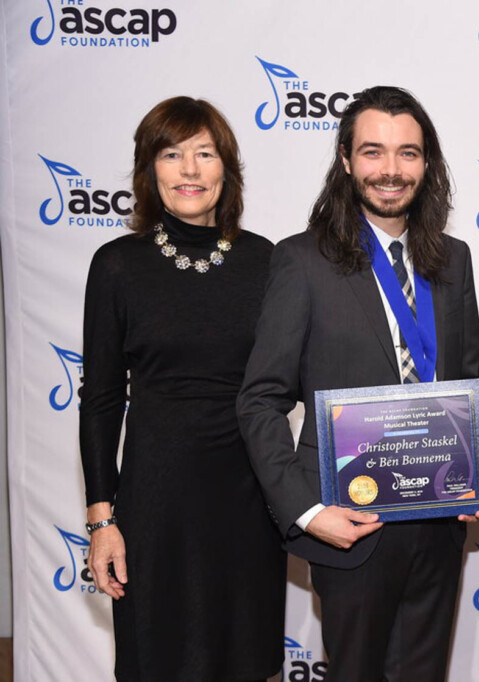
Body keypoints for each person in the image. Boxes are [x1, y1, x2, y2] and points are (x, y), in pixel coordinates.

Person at [236, 85, 479, 682]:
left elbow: (472, 380)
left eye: (408, 153)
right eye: (374, 152)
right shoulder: (302, 261)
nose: (390, 170)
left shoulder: (452, 259)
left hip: (438, 522)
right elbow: (259, 401)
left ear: (426, 164)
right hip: (348, 524)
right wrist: (305, 511)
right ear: (347, 161)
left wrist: (473, 473)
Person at [80, 96, 285, 681]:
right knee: (159, 661)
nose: (190, 170)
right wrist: (102, 522)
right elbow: (99, 400)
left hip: (248, 501)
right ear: (150, 170)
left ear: (228, 169)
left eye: (205, 153)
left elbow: (289, 383)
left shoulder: (266, 261)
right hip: (155, 505)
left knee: (243, 661)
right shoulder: (118, 265)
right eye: (172, 154)